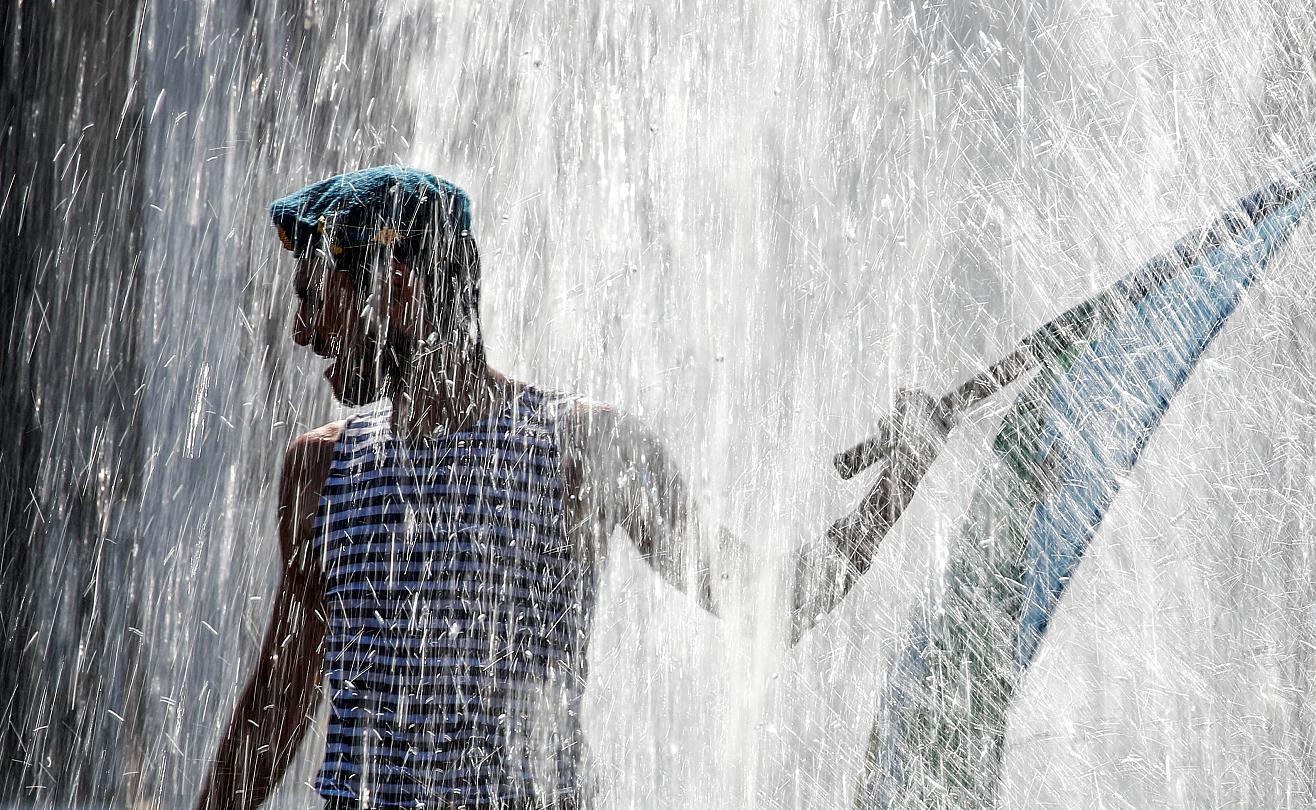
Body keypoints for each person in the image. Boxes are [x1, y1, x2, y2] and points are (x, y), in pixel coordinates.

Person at [193, 167, 951, 810]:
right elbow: (276, 706)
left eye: (312, 298)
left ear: (395, 288)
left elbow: (768, 604)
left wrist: (898, 484)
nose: (300, 332)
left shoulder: (582, 448)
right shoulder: (320, 471)